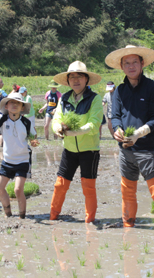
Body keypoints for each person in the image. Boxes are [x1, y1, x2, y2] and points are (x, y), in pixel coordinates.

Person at [105, 45, 154, 235]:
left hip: (148, 149)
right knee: (127, 190)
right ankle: (129, 226)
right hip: (126, 149)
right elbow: (116, 115)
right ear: (122, 66)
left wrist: (138, 134)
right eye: (127, 63)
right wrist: (118, 130)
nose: (131, 66)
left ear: (142, 63)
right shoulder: (119, 91)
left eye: (135, 61)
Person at [50, 61, 103, 223]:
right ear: (68, 81)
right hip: (69, 150)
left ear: (86, 79)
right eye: (72, 77)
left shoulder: (94, 99)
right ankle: (53, 216)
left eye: (79, 76)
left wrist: (74, 132)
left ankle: (90, 220)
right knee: (60, 185)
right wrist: (57, 128)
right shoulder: (64, 98)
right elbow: (56, 119)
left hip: (89, 150)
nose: (76, 80)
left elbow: (94, 125)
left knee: (88, 187)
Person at [0, 92, 38, 218]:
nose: (15, 105)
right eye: (12, 102)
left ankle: (22, 216)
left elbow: (33, 136)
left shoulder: (27, 122)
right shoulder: (3, 119)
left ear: (22, 107)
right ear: (6, 106)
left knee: (17, 190)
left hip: (23, 160)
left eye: (18, 103)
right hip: (7, 160)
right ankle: (8, 214)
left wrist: (33, 141)